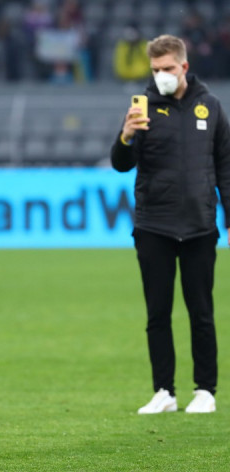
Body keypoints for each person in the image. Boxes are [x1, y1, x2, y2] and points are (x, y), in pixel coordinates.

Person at [110, 34, 230, 415]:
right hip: (153, 226)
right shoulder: (142, 108)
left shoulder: (211, 107)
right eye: (155, 69)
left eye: (167, 68)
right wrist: (126, 136)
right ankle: (164, 391)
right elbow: (120, 164)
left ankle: (205, 391)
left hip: (199, 225)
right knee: (157, 314)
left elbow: (225, 167)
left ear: (184, 67)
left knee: (201, 312)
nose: (160, 75)